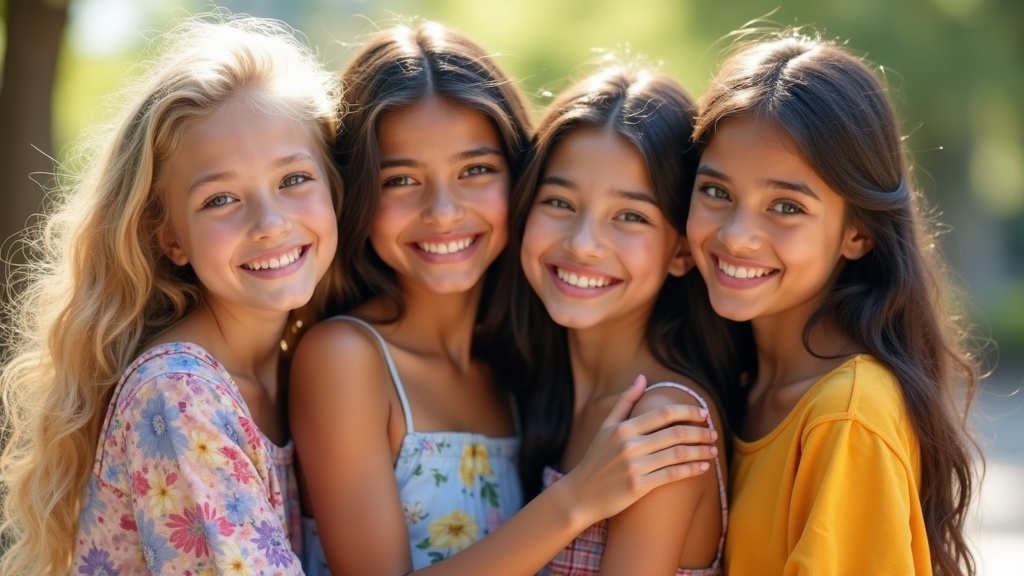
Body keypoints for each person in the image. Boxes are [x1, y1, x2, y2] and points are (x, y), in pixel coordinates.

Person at [289, 23, 721, 576]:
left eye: (475, 170)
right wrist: (575, 500)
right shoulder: (346, 358)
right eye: (400, 180)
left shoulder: (519, 369)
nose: (443, 211)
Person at [0, 15, 345, 575]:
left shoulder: (297, 364)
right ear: (171, 239)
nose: (269, 222)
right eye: (219, 200)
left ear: (333, 186)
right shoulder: (180, 394)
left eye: (292, 180)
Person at [684, 31, 980, 576]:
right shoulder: (738, 383)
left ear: (858, 233)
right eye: (717, 192)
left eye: (786, 206)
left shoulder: (847, 414)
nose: (737, 234)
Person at [502, 64, 747, 575]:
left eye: (630, 216)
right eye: (559, 202)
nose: (584, 242)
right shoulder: (545, 394)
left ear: (681, 251)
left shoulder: (665, 424)